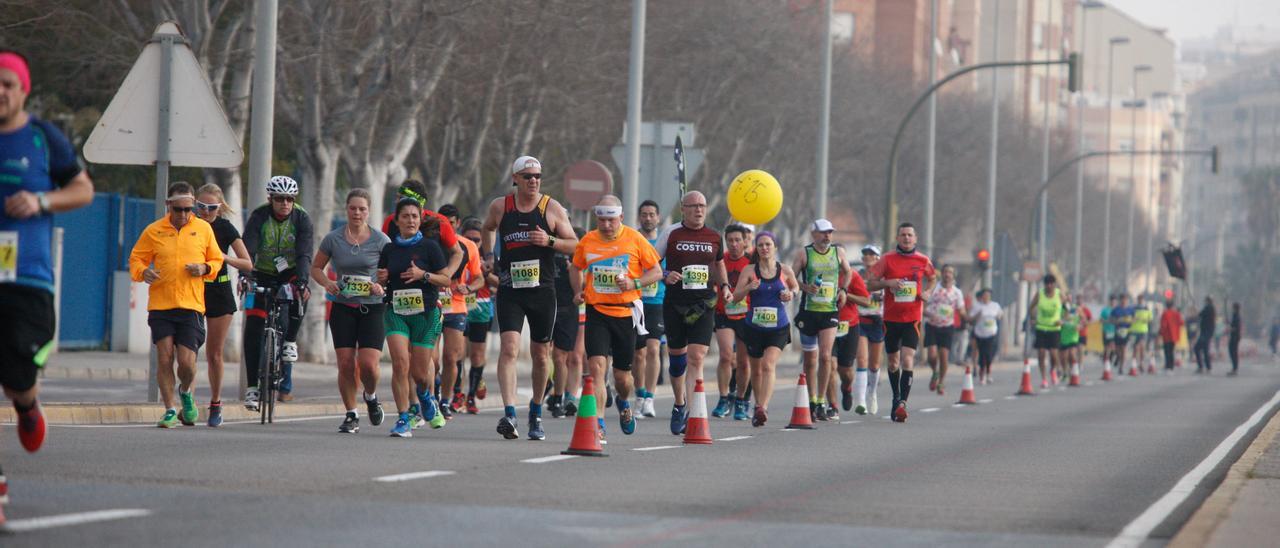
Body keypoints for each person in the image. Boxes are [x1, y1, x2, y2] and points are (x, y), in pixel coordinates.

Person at [0, 51, 94, 521]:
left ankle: (28, 402)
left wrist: (39, 200)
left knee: (16, 372)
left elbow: (83, 190)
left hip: (26, 278)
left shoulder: (42, 138)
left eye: (7, 84)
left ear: (22, 91)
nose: (0, 92)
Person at [480, 156, 579, 440]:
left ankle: (535, 411)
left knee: (540, 354)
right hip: (510, 289)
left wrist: (549, 241)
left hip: (542, 292)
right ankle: (510, 413)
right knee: (509, 349)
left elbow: (575, 245)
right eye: (527, 176)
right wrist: (489, 256)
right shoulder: (501, 207)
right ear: (516, 179)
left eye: (537, 176)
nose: (533, 180)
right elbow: (487, 228)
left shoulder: (552, 208)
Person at [129, 182, 225, 427]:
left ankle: (186, 392)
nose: (183, 215)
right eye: (178, 209)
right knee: (164, 356)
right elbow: (136, 259)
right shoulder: (153, 230)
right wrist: (143, 272)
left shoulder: (203, 229)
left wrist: (204, 268)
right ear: (168, 205)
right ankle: (170, 409)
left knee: (186, 362)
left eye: (188, 209)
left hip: (191, 305)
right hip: (161, 305)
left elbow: (216, 260)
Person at [571, 196, 662, 440]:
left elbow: (657, 271)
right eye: (601, 220)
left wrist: (634, 282)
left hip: (625, 312)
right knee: (597, 368)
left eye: (611, 220)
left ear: (621, 218)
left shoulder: (635, 239)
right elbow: (575, 267)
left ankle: (623, 402)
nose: (606, 225)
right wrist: (577, 290)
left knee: (623, 378)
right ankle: (598, 424)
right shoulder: (588, 241)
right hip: (597, 311)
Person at [312, 189, 391, 434]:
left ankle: (370, 395)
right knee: (346, 364)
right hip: (343, 307)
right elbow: (316, 268)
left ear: (369, 211)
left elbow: (390, 273)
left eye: (362, 209)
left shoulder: (381, 241)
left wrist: (381, 285)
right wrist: (328, 283)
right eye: (353, 208)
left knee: (368, 365)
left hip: (373, 308)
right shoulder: (333, 239)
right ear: (346, 209)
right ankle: (351, 414)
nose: (357, 213)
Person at [655, 190, 728, 435]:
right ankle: (679, 404)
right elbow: (652, 261)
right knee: (677, 362)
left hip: (703, 304)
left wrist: (726, 286)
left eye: (702, 206)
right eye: (693, 206)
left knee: (696, 357)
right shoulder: (671, 233)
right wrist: (665, 275)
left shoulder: (714, 236)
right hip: (675, 303)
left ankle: (693, 409)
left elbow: (719, 263)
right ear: (683, 209)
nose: (699, 210)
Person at [378, 198, 452, 437]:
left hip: (426, 314)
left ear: (420, 220)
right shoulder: (389, 249)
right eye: (405, 216)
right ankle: (404, 416)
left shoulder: (430, 247)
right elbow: (382, 278)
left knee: (420, 374)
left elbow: (446, 280)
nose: (410, 220)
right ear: (397, 220)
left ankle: (425, 397)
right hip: (396, 311)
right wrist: (381, 279)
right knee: (400, 364)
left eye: (414, 216)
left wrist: (423, 274)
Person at [241, 175, 313, 408]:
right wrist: (245, 277)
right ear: (271, 198)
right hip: (261, 272)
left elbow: (304, 253)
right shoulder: (259, 217)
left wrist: (302, 282)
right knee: (253, 328)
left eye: (289, 199)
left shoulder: (301, 218)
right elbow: (248, 249)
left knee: (302, 294)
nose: (285, 204)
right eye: (280, 199)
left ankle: (290, 340)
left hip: (290, 271)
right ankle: (253, 387)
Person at [866, 223, 937, 423]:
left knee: (907, 360)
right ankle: (896, 396)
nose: (906, 238)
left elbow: (932, 278)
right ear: (897, 238)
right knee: (893, 362)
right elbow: (870, 283)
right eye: (903, 235)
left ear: (915, 239)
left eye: (910, 235)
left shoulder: (923, 260)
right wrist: (888, 283)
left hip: (912, 318)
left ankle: (902, 403)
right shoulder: (887, 259)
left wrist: (928, 292)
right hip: (890, 318)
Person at [194, 183, 252, 427]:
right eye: (201, 207)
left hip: (219, 292)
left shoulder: (225, 227)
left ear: (220, 208)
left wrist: (222, 257)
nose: (206, 212)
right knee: (186, 351)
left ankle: (216, 402)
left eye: (211, 208)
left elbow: (247, 263)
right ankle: (186, 398)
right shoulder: (188, 225)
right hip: (191, 291)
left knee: (214, 353)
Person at [729, 231, 798, 427]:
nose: (764, 248)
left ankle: (762, 407)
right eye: (761, 245)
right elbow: (735, 297)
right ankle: (758, 406)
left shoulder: (784, 270)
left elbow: (795, 288)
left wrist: (790, 294)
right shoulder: (749, 271)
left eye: (768, 244)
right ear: (756, 249)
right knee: (756, 370)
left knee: (768, 364)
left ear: (775, 247)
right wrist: (749, 287)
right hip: (754, 327)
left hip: (778, 328)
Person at [792, 219, 851, 421]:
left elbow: (848, 272)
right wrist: (804, 287)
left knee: (826, 356)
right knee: (810, 359)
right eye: (823, 232)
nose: (827, 236)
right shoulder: (804, 253)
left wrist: (843, 290)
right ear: (814, 234)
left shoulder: (838, 253)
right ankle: (811, 400)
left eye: (830, 232)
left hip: (830, 311)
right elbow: (791, 277)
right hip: (809, 311)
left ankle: (820, 400)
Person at [436, 208, 484, 419]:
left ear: (457, 223)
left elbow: (479, 278)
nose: (448, 226)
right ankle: (432, 393)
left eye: (452, 222)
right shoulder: (430, 241)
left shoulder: (468, 246)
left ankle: (446, 401)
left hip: (456, 307)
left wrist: (470, 288)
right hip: (433, 306)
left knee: (451, 358)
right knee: (431, 360)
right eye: (443, 222)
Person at [712, 224, 751, 418]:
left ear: (745, 241)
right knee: (726, 356)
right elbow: (712, 282)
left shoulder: (752, 262)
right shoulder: (720, 261)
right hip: (723, 313)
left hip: (747, 316)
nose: (734, 244)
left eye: (738, 240)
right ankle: (723, 397)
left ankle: (742, 401)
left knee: (743, 362)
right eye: (730, 241)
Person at [632, 200, 665, 418]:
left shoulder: (663, 242)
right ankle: (640, 394)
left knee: (653, 349)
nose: (648, 218)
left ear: (658, 218)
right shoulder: (631, 239)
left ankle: (650, 399)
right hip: (635, 301)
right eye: (644, 214)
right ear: (639, 217)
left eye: (652, 214)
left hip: (657, 301)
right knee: (639, 353)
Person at [460, 218, 496, 414]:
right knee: (458, 353)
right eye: (468, 238)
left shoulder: (489, 257)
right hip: (458, 306)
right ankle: (458, 392)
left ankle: (471, 396)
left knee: (476, 355)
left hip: (481, 308)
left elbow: (500, 282)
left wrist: (485, 274)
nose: (473, 243)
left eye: (477, 240)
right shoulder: (455, 251)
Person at [548, 236, 583, 418]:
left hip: (567, 309)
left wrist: (576, 273)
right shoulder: (544, 248)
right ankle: (546, 390)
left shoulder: (576, 252)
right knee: (541, 353)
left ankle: (559, 398)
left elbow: (585, 285)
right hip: (545, 307)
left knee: (562, 356)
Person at [835, 258, 872, 411]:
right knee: (829, 364)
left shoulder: (853, 276)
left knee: (846, 371)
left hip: (849, 325)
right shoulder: (822, 274)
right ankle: (829, 405)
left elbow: (866, 301)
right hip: (827, 324)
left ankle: (847, 388)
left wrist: (845, 294)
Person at [854, 245, 885, 415]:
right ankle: (860, 402)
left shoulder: (884, 275)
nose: (868, 256)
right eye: (865, 253)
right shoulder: (857, 274)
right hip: (860, 320)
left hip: (878, 321)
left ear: (878, 257)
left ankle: (871, 393)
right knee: (862, 360)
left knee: (874, 364)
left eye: (872, 254)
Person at [923, 265, 964, 395]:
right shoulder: (934, 289)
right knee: (932, 355)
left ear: (953, 275)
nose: (947, 274)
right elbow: (921, 307)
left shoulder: (957, 292)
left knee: (944, 356)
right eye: (946, 272)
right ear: (942, 274)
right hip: (932, 325)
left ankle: (941, 382)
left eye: (950, 272)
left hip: (947, 326)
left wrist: (968, 318)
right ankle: (935, 371)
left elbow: (962, 309)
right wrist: (929, 314)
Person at [1028, 275, 1063, 388]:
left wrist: (1062, 320)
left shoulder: (1059, 294)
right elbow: (1031, 307)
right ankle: (1044, 378)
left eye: (1051, 284)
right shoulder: (1040, 294)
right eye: (1047, 284)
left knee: (1053, 353)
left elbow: (1069, 309)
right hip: (1041, 327)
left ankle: (1053, 370)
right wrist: (1033, 318)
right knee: (1041, 353)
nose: (1049, 286)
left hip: (1054, 328)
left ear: (1054, 284)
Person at [966, 289, 1002, 384]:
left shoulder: (995, 305)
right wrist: (978, 315)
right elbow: (970, 319)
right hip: (980, 333)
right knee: (982, 354)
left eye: (988, 295)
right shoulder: (977, 306)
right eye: (984, 295)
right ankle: (981, 374)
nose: (986, 297)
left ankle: (988, 373)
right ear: (981, 297)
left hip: (991, 333)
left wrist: (999, 316)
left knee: (988, 354)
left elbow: (1000, 315)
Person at [1159, 297, 1184, 373]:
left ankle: (1168, 366)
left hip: (1166, 335)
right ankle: (1171, 366)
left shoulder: (1165, 313)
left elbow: (1164, 325)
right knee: (1171, 351)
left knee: (1167, 351)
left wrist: (1160, 332)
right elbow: (1181, 323)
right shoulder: (1177, 314)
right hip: (1174, 335)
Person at [1059, 293, 1082, 374]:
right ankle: (1065, 371)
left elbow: (1084, 320)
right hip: (1063, 336)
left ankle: (1073, 370)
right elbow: (1057, 320)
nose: (1068, 300)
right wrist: (1060, 322)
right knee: (1063, 357)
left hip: (1073, 336)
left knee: (1072, 354)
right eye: (1066, 298)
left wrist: (1080, 325)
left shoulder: (1076, 308)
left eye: (1070, 298)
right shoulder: (1060, 309)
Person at [1131, 295, 1153, 373]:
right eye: (1139, 299)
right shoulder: (1134, 308)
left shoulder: (1146, 308)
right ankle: (1134, 364)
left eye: (1142, 299)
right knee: (1135, 348)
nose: (1140, 301)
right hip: (1134, 330)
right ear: (1137, 300)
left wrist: (1146, 320)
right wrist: (1134, 319)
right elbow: (1130, 318)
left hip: (1143, 330)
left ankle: (1141, 363)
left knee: (1142, 347)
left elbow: (1150, 319)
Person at [1194, 297, 1216, 374]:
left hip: (1205, 333)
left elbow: (1199, 315)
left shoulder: (1208, 308)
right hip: (1207, 332)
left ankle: (1202, 366)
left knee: (1197, 348)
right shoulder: (1211, 308)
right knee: (1205, 350)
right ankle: (1207, 367)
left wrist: (1196, 310)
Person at [1100, 294, 1118, 371]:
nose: (1113, 302)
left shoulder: (1117, 310)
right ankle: (1106, 360)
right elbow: (1101, 320)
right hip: (1107, 330)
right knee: (1107, 347)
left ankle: (1111, 357)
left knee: (1113, 347)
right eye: (1111, 301)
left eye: (1114, 301)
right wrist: (1108, 321)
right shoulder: (1105, 310)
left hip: (1116, 331)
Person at [1228, 302, 1242, 376]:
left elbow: (1236, 327)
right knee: (1232, 352)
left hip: (1235, 336)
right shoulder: (1236, 316)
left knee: (1233, 352)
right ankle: (1234, 368)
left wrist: (1230, 328)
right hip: (1235, 336)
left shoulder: (1236, 316)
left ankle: (1235, 368)